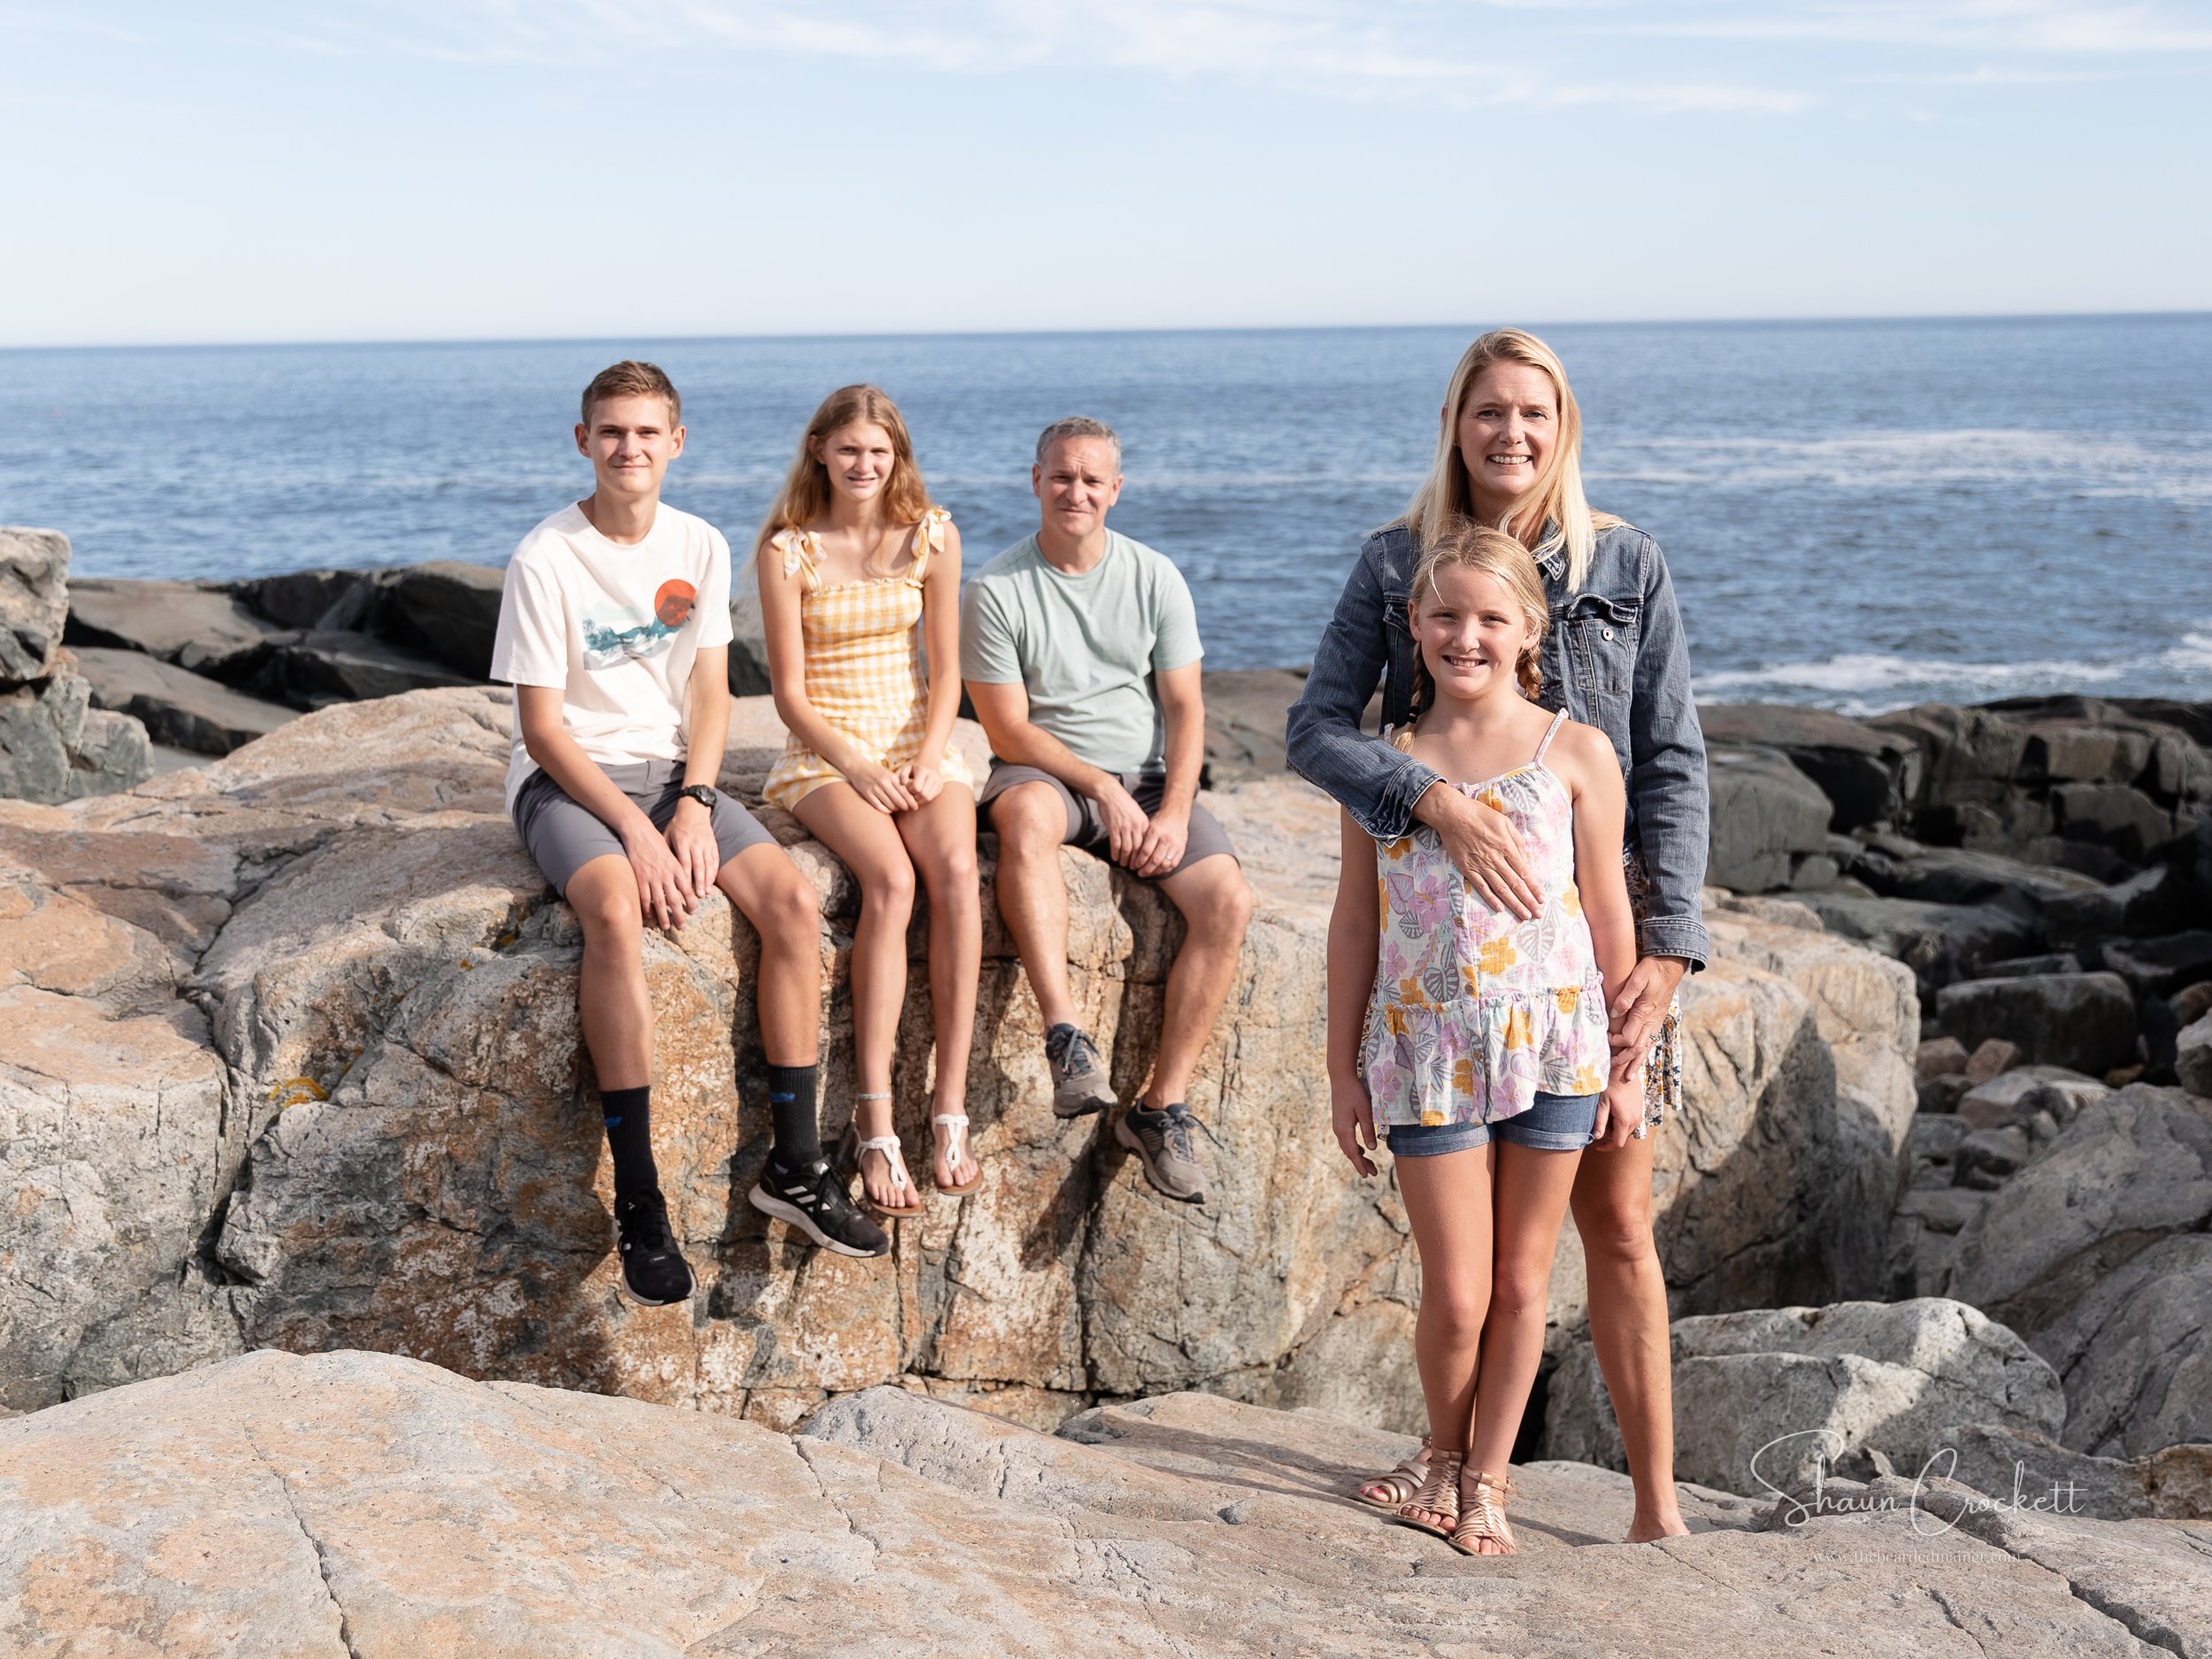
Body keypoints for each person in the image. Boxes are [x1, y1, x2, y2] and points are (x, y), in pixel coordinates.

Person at [1287, 327, 1708, 1543]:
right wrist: (1431, 801)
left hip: (1588, 958)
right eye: (1488, 412)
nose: (1509, 433)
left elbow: (1672, 760)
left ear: (1561, 422)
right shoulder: (1391, 563)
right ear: (1455, 423)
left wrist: (1666, 955)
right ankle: (1460, 1462)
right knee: (1472, 1276)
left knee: (1616, 1225)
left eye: (1532, 412)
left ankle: (1656, 1501)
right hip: (1442, 946)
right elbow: (1318, 728)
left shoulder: (1627, 562)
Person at [490, 360, 887, 1307]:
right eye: (611, 432)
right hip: (566, 780)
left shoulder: (699, 543)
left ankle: (793, 1168)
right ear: (584, 442)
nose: (630, 449)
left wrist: (697, 803)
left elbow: (711, 689)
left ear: (677, 441)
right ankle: (640, 1202)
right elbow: (543, 729)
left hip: (675, 773)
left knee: (791, 901)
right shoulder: (544, 557)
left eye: (647, 433)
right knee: (616, 911)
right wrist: (635, 830)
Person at [1328, 524, 1641, 1555]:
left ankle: (1485, 1481)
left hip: (1555, 1046)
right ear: (1413, 627)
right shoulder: (1382, 769)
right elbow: (1356, 921)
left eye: (1490, 618)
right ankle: (1440, 1448)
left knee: (1520, 1283)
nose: (1467, 636)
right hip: (1427, 1051)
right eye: (1446, 616)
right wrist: (1343, 1069)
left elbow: (1608, 917)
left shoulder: (1575, 753)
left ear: (1528, 631)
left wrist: (1628, 1071)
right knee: (1457, 1292)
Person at [960, 417, 1254, 1205]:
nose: (1076, 492)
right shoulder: (995, 589)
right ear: (1036, 481)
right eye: (1061, 477)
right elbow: (1006, 728)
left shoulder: (1155, 576)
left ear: (1115, 489)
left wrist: (1174, 809)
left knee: (1227, 899)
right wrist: (1101, 786)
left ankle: (1161, 1107)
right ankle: (1067, 1038)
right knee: (1021, 821)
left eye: (1092, 480)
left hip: (1152, 778)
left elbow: (1187, 708)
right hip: (1048, 771)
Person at [757, 385, 983, 1217]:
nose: (864, 465)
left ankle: (949, 1107)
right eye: (849, 449)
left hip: (916, 743)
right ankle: (876, 1118)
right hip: (829, 752)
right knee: (891, 882)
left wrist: (929, 757)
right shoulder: (789, 550)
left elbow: (948, 672)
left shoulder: (933, 535)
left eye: (879, 452)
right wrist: (858, 769)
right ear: (819, 448)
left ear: (898, 457)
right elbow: (788, 695)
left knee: (957, 872)